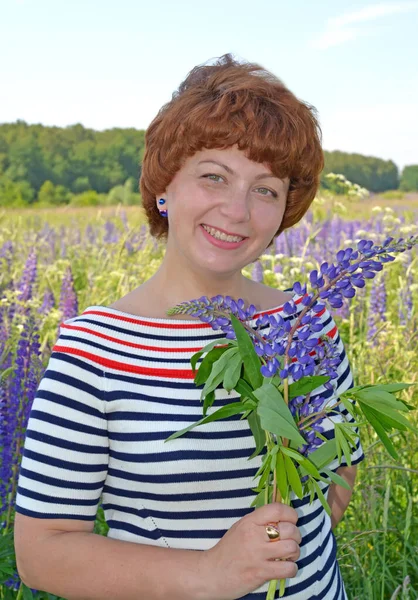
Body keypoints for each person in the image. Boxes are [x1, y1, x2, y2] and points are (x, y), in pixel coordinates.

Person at [14, 53, 364, 599]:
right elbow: (41, 553)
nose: (237, 210)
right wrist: (210, 574)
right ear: (164, 186)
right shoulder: (91, 351)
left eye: (265, 189)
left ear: (283, 213)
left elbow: (341, 466)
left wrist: (285, 547)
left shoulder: (309, 325)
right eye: (213, 177)